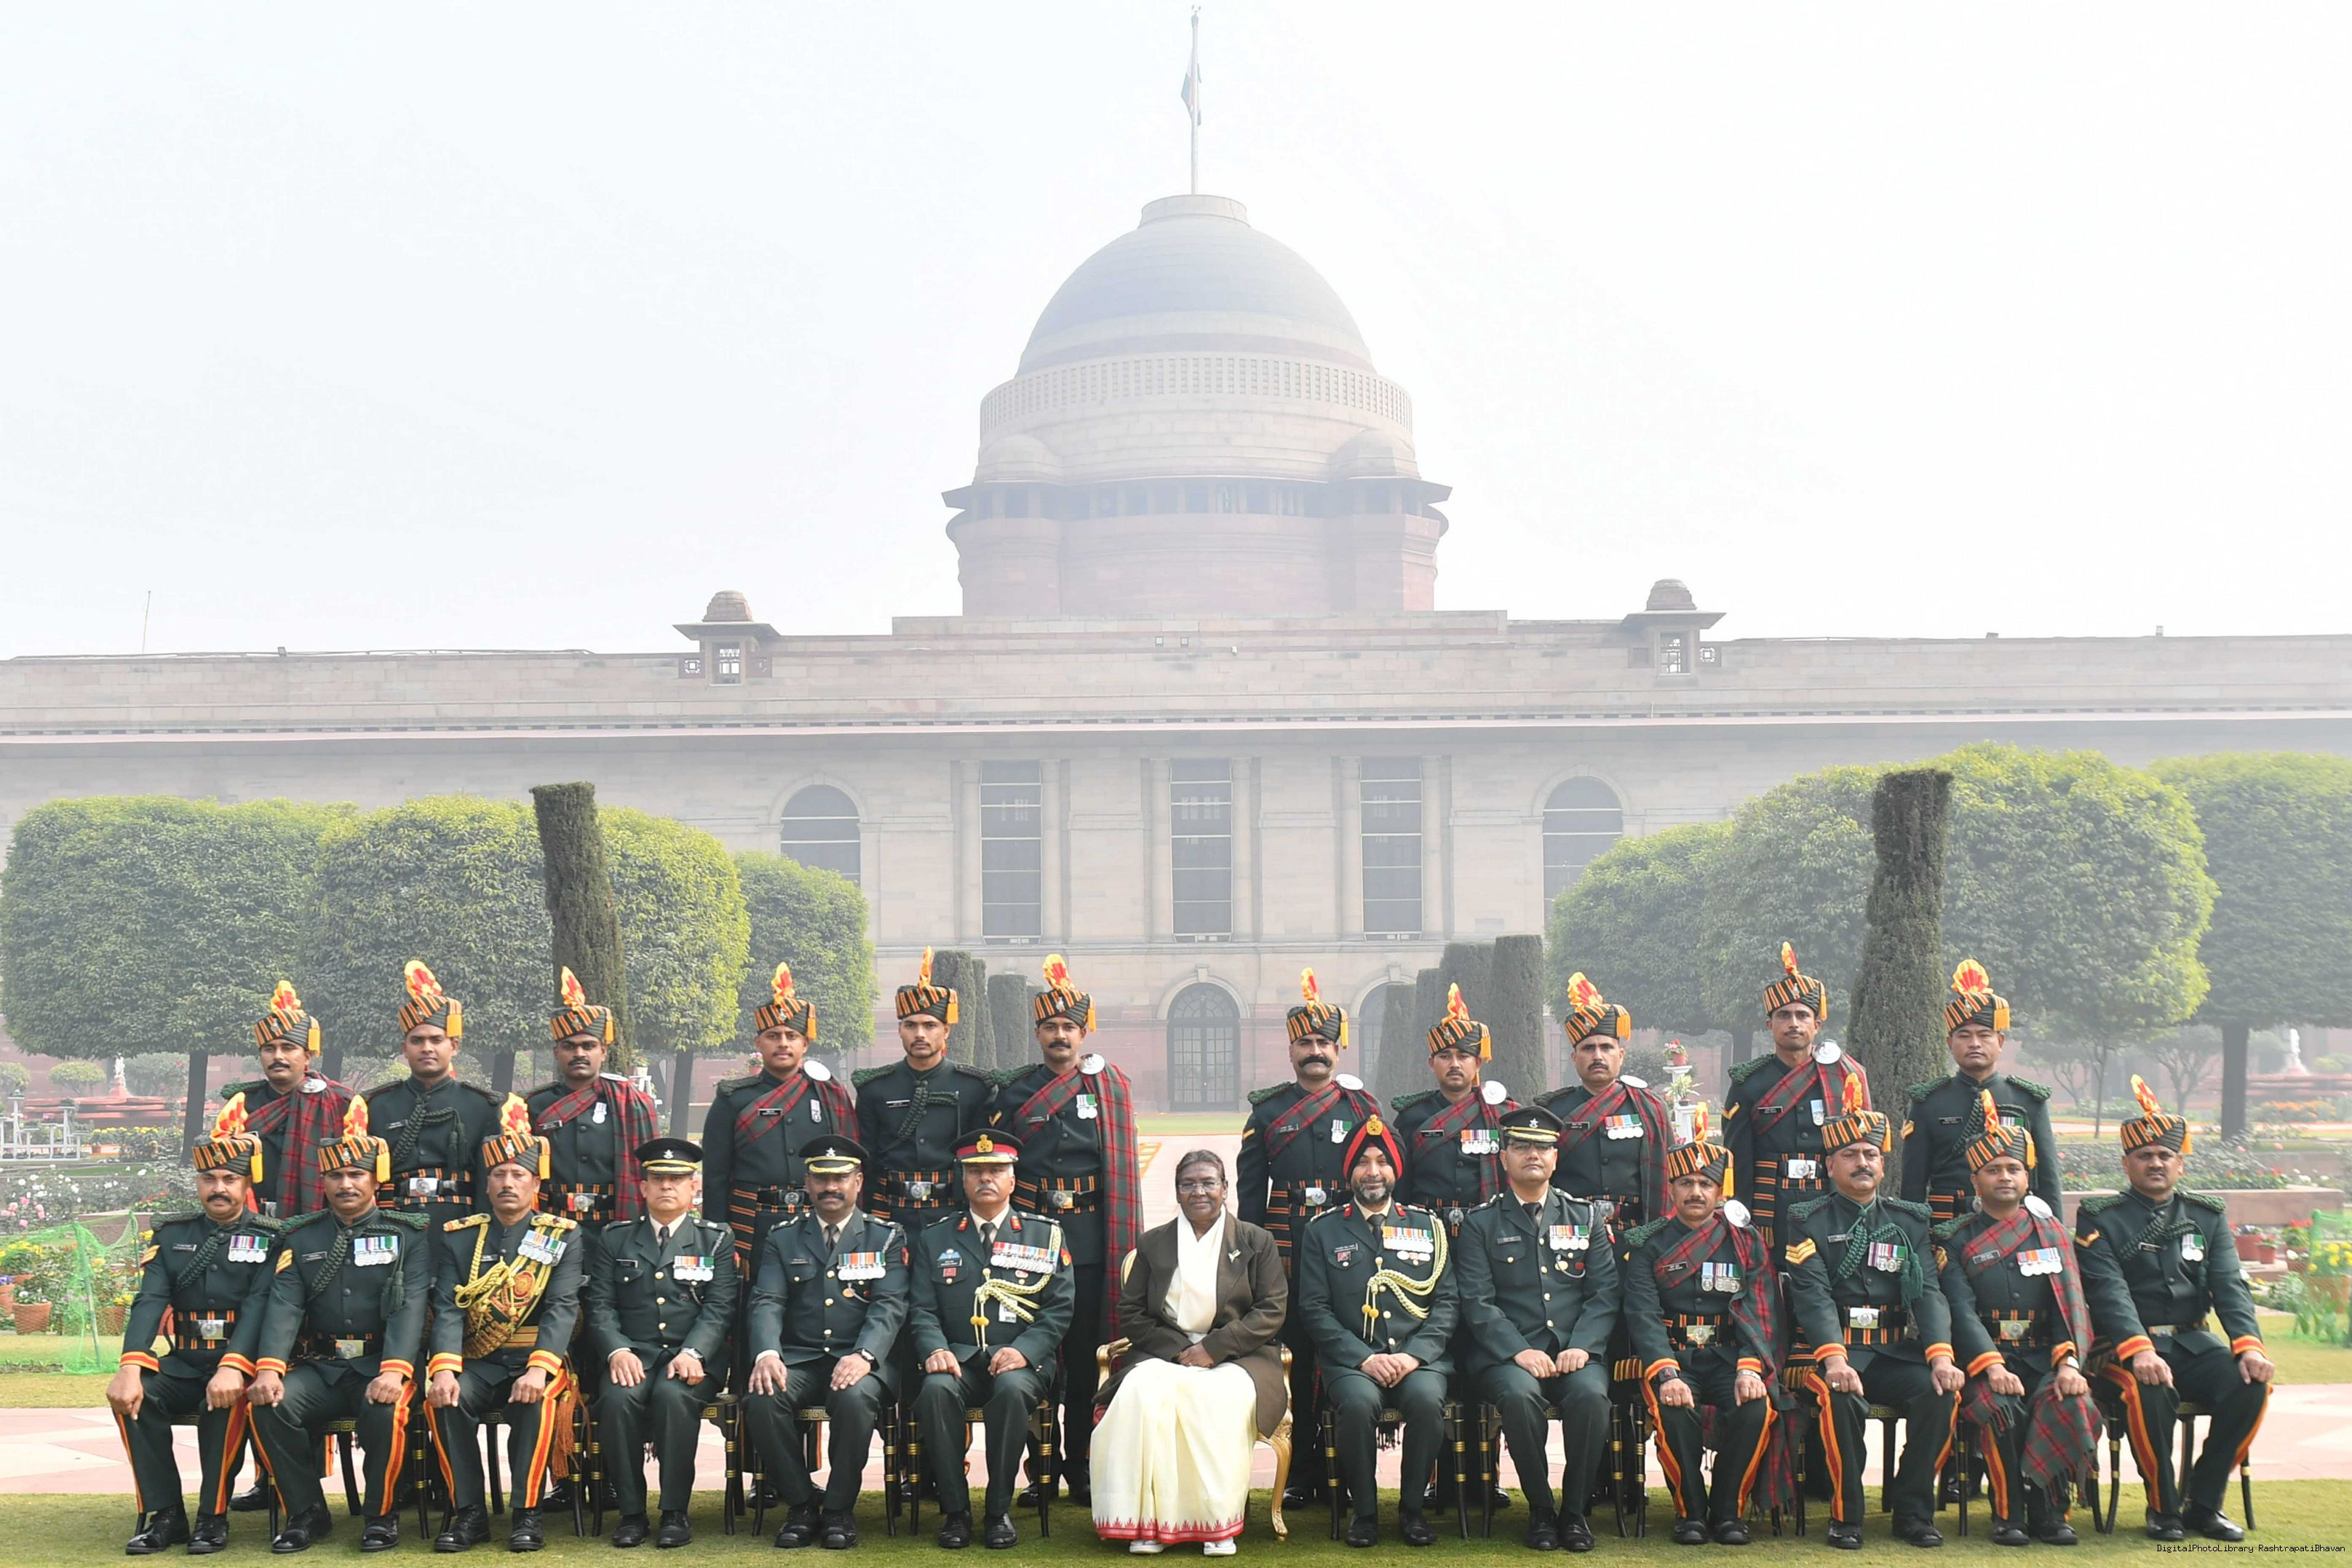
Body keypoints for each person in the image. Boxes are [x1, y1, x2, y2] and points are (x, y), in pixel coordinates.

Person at [2075, 1076, 2271, 1543]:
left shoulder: (2206, 1216)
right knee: (2149, 1389)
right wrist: (2140, 1349)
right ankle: (2163, 1508)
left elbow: (2229, 1286)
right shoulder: (2101, 1217)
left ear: (2181, 1164)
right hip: (2122, 1349)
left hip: (2192, 1342)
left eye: (2165, 1155)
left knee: (2250, 1386)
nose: (2156, 1163)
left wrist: (2249, 1347)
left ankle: (2203, 1503)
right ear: (2127, 1163)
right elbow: (2108, 1291)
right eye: (2144, 1156)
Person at [1782, 1076, 1961, 1549]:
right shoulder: (1807, 1220)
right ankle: (1847, 1515)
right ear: (1830, 1164)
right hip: (1833, 1354)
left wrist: (1941, 1355)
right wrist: (1834, 1359)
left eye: (1871, 1154)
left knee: (1940, 1391)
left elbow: (1928, 1293)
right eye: (1850, 1154)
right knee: (1841, 1398)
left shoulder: (1909, 1221)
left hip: (1891, 1352)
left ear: (1883, 1163)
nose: (1863, 1162)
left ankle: (1913, 1510)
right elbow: (1813, 1296)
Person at [993, 954, 1143, 1505]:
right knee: (1035, 1360)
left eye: (1069, 1027)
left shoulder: (1110, 1087)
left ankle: (1080, 1467)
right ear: (1038, 1033)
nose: (1060, 1035)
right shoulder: (1013, 1093)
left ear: (1084, 1032)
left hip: (1091, 1242)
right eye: (1051, 1027)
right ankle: (1041, 1471)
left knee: (1083, 1364)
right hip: (1029, 1241)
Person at [245, 1115, 434, 1554]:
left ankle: (380, 1516)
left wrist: (395, 1370)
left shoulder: (407, 1235)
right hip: (323, 1368)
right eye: (335, 1176)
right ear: (323, 1182)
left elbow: (410, 1309)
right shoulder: (301, 1237)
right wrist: (270, 1369)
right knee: (270, 1405)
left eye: (356, 1174)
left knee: (385, 1410)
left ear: (375, 1180)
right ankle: (306, 1511)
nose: (346, 1184)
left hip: (380, 1364)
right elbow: (285, 1305)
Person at [1093, 1149, 1287, 1558]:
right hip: (1167, 1354)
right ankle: (1148, 1522)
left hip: (1239, 1356)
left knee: (1215, 1398)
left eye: (1208, 1183)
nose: (1199, 1191)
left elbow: (1271, 1310)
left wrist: (1214, 1349)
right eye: (1189, 1184)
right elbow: (1131, 1312)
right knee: (1141, 1395)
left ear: (1225, 1188)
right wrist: (1183, 1351)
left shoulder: (1256, 1241)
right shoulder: (1153, 1243)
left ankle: (1216, 1523)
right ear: (1177, 1191)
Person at [1236, 969, 1381, 1508]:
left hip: (1349, 1249)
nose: (1315, 1051)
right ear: (1291, 1049)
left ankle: (1345, 1464)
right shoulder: (1268, 1112)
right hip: (1287, 1249)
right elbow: (1251, 1195)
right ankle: (1301, 1470)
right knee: (1294, 1358)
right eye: (1306, 1042)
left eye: (1324, 1042)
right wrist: (1254, 1259)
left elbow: (1382, 1183)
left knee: (1344, 1353)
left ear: (1339, 1048)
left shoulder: (1363, 1109)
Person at [1934, 1092, 2096, 1547]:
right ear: (1975, 1180)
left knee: (2067, 1399)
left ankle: (2052, 1511)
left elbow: (2071, 1305)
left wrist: (2068, 1364)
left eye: (2013, 1168)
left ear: (2027, 1177)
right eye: (1993, 1169)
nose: (2004, 1176)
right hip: (1986, 1361)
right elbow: (1959, 1310)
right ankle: (2009, 1513)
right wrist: (1992, 1365)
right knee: (2001, 1408)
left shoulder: (2052, 1233)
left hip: (2045, 1356)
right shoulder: (1954, 1239)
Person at [108, 1129, 281, 1556]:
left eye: (229, 1179)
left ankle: (212, 1515)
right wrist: (130, 1366)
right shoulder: (171, 1235)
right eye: (209, 1179)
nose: (218, 1188)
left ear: (247, 1183)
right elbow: (150, 1300)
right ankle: (166, 1514)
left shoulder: (272, 1237)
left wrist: (233, 1366)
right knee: (135, 1398)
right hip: (184, 1362)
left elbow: (261, 1307)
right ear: (198, 1182)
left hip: (240, 1363)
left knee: (225, 1401)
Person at [1453, 1105, 1616, 1553]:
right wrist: (1517, 1351)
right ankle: (1542, 1509)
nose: (1533, 1155)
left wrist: (1583, 1346)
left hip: (1574, 1351)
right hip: (1508, 1356)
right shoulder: (1480, 1223)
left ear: (1555, 1158)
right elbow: (1477, 1302)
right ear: (1503, 1157)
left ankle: (1575, 1513)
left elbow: (1604, 1294)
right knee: (1520, 1397)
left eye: (1542, 1148)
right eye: (1522, 1146)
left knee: (1591, 1397)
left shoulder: (1586, 1218)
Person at [1620, 1107, 1785, 1546]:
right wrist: (1667, 1372)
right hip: (1674, 1358)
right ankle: (1690, 1512)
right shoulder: (1647, 1243)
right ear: (1671, 1188)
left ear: (1720, 1190)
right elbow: (1643, 1313)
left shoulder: (1745, 1241)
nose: (1696, 1192)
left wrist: (1750, 1367)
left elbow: (1760, 1307)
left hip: (1730, 1358)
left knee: (1756, 1408)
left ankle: (1729, 1511)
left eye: (1706, 1184)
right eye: (1686, 1183)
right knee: (1673, 1409)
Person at [907, 1127, 1076, 1550]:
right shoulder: (935, 1237)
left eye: (996, 1170)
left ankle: (997, 1511)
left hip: (1022, 1362)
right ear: (962, 1179)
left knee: (1012, 1390)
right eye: (975, 1170)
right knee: (935, 1391)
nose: (986, 1178)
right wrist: (934, 1349)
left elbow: (1059, 1308)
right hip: (957, 1359)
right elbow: (922, 1308)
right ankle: (956, 1511)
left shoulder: (1045, 1235)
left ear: (1012, 1179)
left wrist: (1025, 1351)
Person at [742, 1133, 910, 1551]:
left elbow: (889, 1305)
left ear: (858, 1182)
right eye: (821, 1179)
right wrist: (768, 1353)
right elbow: (767, 1300)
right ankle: (801, 1505)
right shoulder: (783, 1237)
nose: (830, 1187)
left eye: (840, 1178)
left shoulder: (886, 1237)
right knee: (762, 1398)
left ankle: (838, 1509)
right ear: (807, 1183)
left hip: (861, 1360)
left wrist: (865, 1355)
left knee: (854, 1398)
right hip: (799, 1359)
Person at [424, 1130, 586, 1553]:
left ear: (536, 1183)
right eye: (499, 1175)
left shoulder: (562, 1234)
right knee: (445, 1399)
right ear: (487, 1183)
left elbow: (562, 1307)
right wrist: (444, 1370)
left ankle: (526, 1513)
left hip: (535, 1358)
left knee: (535, 1400)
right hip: (479, 1361)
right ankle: (469, 1513)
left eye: (518, 1174)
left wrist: (539, 1368)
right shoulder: (460, 1236)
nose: (508, 1183)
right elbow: (448, 1308)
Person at [1298, 1115, 1455, 1548]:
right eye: (1362, 1163)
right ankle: (1364, 1514)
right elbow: (1313, 1308)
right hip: (1352, 1360)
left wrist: (1413, 1355)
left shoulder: (1427, 1226)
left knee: (1426, 1401)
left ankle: (1412, 1511)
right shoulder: (1322, 1230)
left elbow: (1447, 1302)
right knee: (1358, 1403)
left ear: (1396, 1170)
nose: (1373, 1172)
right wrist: (1364, 1357)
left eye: (1382, 1162)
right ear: (1349, 1172)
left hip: (1416, 1357)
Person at [579, 1136, 741, 1549]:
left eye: (678, 1179)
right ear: (643, 1187)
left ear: (694, 1187)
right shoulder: (615, 1238)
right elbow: (600, 1305)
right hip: (633, 1355)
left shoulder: (716, 1239)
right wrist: (617, 1350)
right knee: (617, 1400)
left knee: (673, 1398)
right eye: (658, 1179)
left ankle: (674, 1513)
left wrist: (694, 1352)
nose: (667, 1186)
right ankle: (632, 1513)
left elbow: (720, 1307)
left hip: (693, 1358)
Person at [346, 960, 528, 1225]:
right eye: (417, 1041)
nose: (427, 1048)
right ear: (405, 1048)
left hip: (461, 1224)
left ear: (454, 1047)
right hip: (395, 1223)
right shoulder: (376, 1105)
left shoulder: (484, 1106)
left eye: (436, 1040)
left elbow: (489, 1178)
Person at [1723, 943, 1869, 1254]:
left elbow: (1863, 1148)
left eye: (1803, 1015)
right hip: (1769, 1205)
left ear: (1817, 1025)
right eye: (1784, 1015)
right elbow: (1738, 1159)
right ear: (1770, 1025)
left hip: (1829, 1199)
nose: (1794, 1023)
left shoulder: (1845, 1077)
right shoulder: (1748, 1082)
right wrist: (1741, 1218)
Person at [1902, 961, 2061, 1227]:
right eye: (1964, 1036)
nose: (1974, 1043)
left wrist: (2054, 1234)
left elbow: (2048, 1179)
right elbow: (1913, 1184)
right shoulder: (1928, 1103)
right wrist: (1915, 1238)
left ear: (2000, 1042)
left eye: (1984, 1035)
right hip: (1947, 1229)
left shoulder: (2027, 1100)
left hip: (2015, 1227)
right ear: (1950, 1043)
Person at [854, 949, 998, 1230]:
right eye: (911, 1025)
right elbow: (867, 1159)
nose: (920, 1034)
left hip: (952, 1214)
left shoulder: (974, 1087)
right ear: (900, 1030)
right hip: (890, 1213)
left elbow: (981, 1158)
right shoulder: (875, 1088)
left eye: (930, 1025)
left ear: (946, 1031)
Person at [528, 966, 659, 1233]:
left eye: (588, 1046)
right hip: (550, 1226)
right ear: (556, 1052)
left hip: (614, 1227)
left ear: (603, 1051)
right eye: (569, 1046)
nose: (579, 1054)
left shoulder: (632, 1104)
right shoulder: (533, 1105)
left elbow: (651, 1171)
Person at [1538, 973, 1669, 1235]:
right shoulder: (1552, 1111)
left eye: (1606, 1047)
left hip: (1635, 1233)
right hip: (1570, 1231)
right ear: (1574, 1058)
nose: (1598, 1056)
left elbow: (1669, 1176)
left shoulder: (1650, 1108)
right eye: (1588, 1048)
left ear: (1621, 1055)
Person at [212, 981, 354, 1221]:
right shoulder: (241, 1106)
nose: (278, 1056)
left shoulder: (339, 1103)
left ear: (307, 1056)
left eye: (288, 1048)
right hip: (251, 1221)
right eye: (269, 1049)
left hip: (320, 1222)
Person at [1390, 983, 1515, 1233]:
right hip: (1426, 1228)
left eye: (1463, 1056)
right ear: (1432, 1064)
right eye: (1445, 1056)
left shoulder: (1501, 1114)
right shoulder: (1412, 1116)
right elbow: (1401, 1185)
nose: (1454, 1064)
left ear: (1478, 1063)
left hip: (1485, 1229)